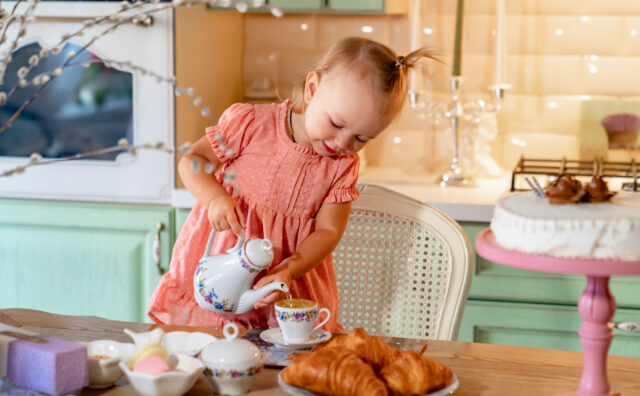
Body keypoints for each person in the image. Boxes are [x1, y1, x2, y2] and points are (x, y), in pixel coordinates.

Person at [148, 37, 435, 332]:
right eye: (336, 124)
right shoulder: (250, 124)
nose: (343, 143)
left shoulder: (343, 166)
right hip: (221, 272)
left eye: (362, 139)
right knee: (210, 353)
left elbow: (328, 231)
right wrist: (214, 198)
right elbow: (193, 160)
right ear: (313, 89)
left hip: (284, 284)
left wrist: (289, 269)